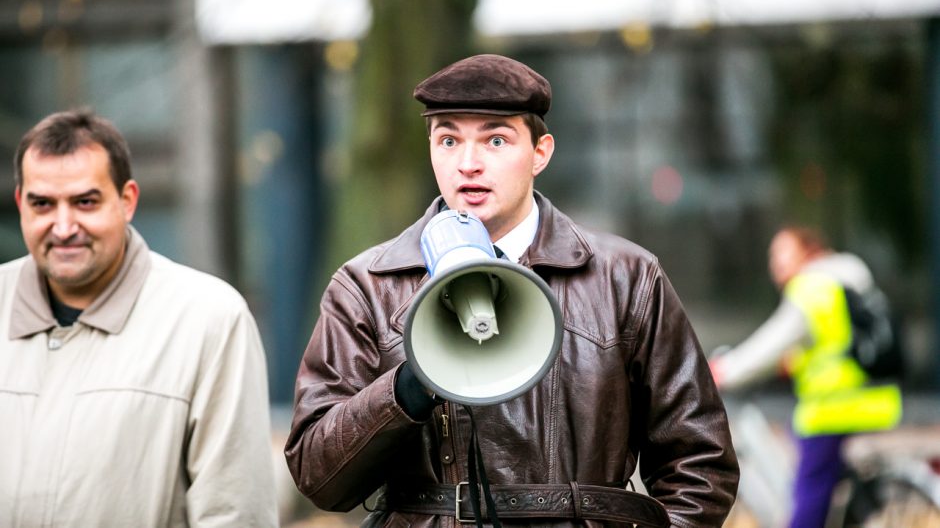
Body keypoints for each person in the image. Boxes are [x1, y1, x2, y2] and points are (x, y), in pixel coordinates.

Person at [286, 54, 739, 527]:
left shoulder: (626, 277)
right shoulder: (368, 285)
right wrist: (408, 388)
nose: (468, 164)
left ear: (540, 152)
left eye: (495, 140)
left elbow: (700, 464)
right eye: (447, 140)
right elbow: (320, 477)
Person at [0, 109, 279, 527]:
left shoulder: (209, 321)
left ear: (127, 200)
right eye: (43, 204)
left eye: (85, 202)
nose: (63, 226)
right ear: (21, 203)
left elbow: (236, 512)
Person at [709, 226, 903, 528]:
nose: (776, 263)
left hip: (834, 408)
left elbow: (769, 345)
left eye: (783, 252)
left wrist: (723, 371)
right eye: (773, 256)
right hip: (876, 398)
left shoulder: (811, 287)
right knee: (799, 441)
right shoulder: (847, 277)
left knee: (807, 499)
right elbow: (835, 341)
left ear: (809, 251)